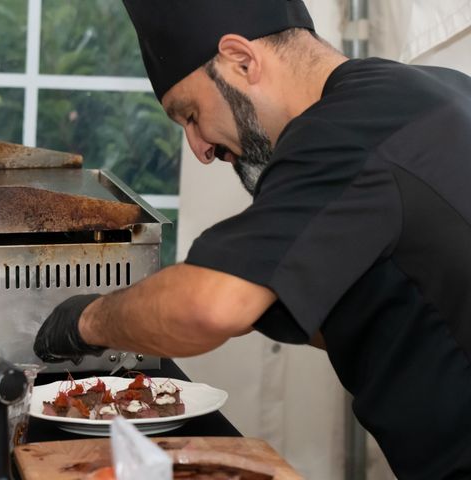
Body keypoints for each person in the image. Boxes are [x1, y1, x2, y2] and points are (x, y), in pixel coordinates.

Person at [34, 0, 471, 477]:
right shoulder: (433, 90)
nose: (200, 149)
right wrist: (259, 293)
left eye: (191, 114)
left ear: (241, 60)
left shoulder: (345, 129)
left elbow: (209, 306)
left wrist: (87, 320)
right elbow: (408, 300)